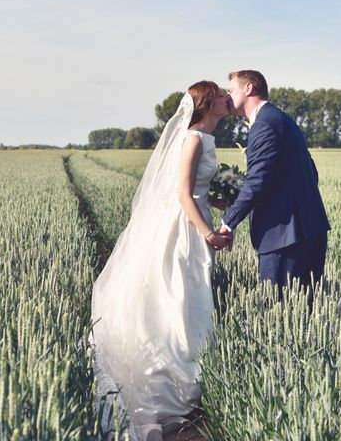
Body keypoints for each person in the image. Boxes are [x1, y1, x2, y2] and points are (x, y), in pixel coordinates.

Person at [90, 81, 232, 441]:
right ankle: (173, 380)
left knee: (188, 294)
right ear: (206, 104)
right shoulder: (194, 139)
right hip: (184, 228)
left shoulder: (202, 138)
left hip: (192, 218)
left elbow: (195, 191)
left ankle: (188, 371)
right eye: (218, 94)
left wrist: (221, 200)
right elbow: (183, 194)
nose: (224, 98)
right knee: (180, 294)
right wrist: (208, 233)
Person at [220, 70, 330, 294]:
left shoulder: (264, 124)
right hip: (310, 229)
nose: (227, 96)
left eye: (230, 90)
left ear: (248, 88)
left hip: (284, 237)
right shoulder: (281, 118)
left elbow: (258, 180)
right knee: (303, 314)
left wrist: (228, 222)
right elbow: (311, 172)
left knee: (277, 311)